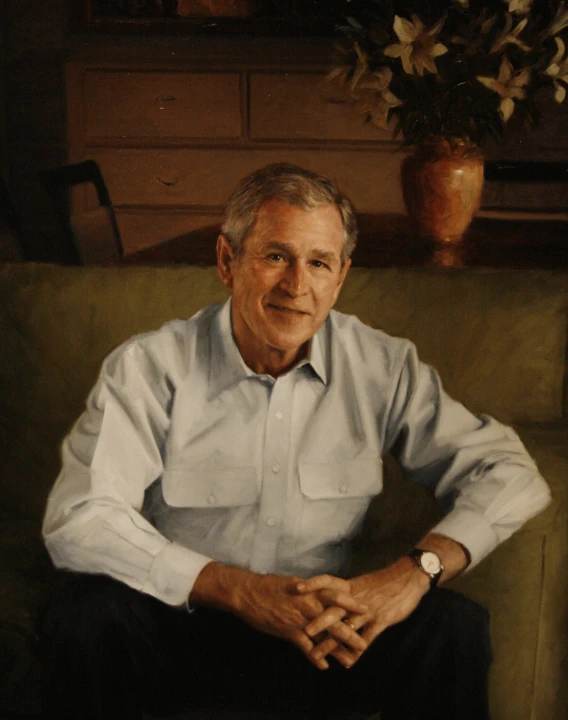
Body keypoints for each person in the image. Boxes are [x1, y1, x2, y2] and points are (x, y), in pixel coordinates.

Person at [41, 163, 551, 720]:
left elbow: (509, 472)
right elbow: (79, 515)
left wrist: (414, 573)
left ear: (341, 277)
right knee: (87, 619)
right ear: (227, 261)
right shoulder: (150, 367)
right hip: (184, 626)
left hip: (324, 638)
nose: (296, 286)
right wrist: (234, 589)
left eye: (318, 263)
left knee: (454, 627)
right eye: (276, 256)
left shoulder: (381, 365)